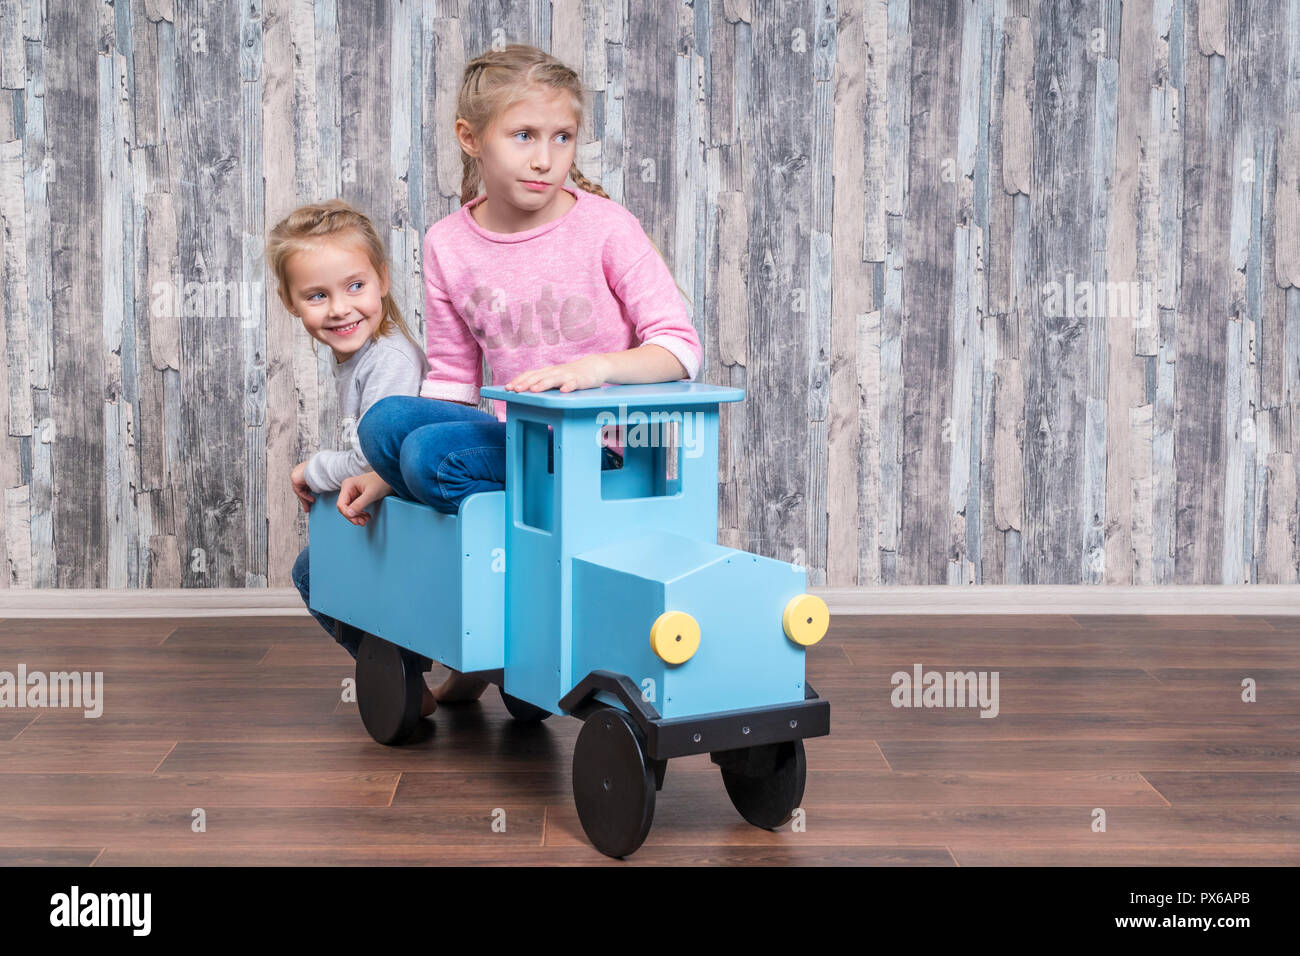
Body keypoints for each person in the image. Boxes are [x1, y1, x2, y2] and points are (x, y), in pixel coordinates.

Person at [342, 44, 704, 702]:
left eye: (562, 137)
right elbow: (453, 378)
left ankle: (501, 620)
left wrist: (592, 369)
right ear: (471, 139)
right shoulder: (447, 242)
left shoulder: (606, 228)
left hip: (603, 451)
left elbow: (679, 349)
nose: (545, 158)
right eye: (524, 136)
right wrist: (381, 470)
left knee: (426, 456)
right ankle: (490, 601)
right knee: (388, 423)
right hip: (513, 446)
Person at [265, 199, 441, 716]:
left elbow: (374, 460)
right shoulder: (362, 356)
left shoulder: (388, 359)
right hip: (403, 510)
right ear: (290, 302)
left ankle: (405, 682)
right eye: (318, 295)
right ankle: (417, 674)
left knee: (311, 572)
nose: (340, 308)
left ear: (383, 279)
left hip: (423, 516)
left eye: (355, 286)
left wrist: (310, 470)